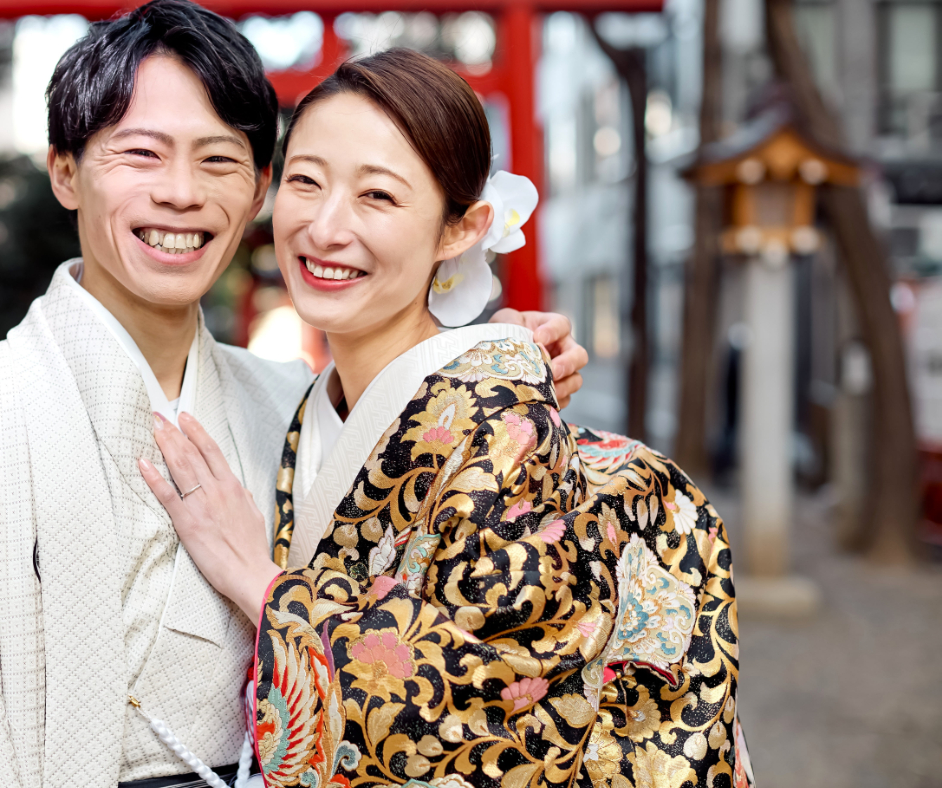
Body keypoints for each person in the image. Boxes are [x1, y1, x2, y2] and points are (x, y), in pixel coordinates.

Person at [0, 0, 589, 788]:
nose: (181, 193)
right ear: (66, 171)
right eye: (141, 154)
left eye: (217, 160)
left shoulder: (293, 403)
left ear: (257, 192)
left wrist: (480, 370)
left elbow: (428, 560)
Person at [141, 49, 754, 788]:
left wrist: (256, 579)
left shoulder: (502, 429)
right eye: (305, 181)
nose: (325, 228)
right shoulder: (321, 402)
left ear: (461, 229)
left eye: (378, 197)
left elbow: (487, 715)